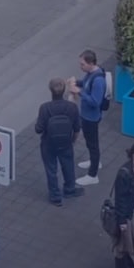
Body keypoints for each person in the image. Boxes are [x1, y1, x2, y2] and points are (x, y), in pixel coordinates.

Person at [34, 78, 84, 206]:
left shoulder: (45, 108)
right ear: (64, 91)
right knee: (68, 165)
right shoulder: (71, 107)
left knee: (51, 169)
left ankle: (55, 196)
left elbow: (38, 129)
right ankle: (69, 189)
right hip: (66, 142)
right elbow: (77, 128)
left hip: (48, 144)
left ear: (50, 91)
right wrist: (72, 141)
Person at [73, 49, 108, 187]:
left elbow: (95, 102)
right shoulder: (90, 74)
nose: (80, 67)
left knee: (93, 144)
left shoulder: (98, 80)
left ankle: (92, 175)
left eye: (82, 64)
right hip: (87, 115)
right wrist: (77, 82)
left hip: (91, 118)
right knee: (90, 141)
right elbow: (86, 84)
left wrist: (79, 92)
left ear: (91, 63)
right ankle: (94, 161)